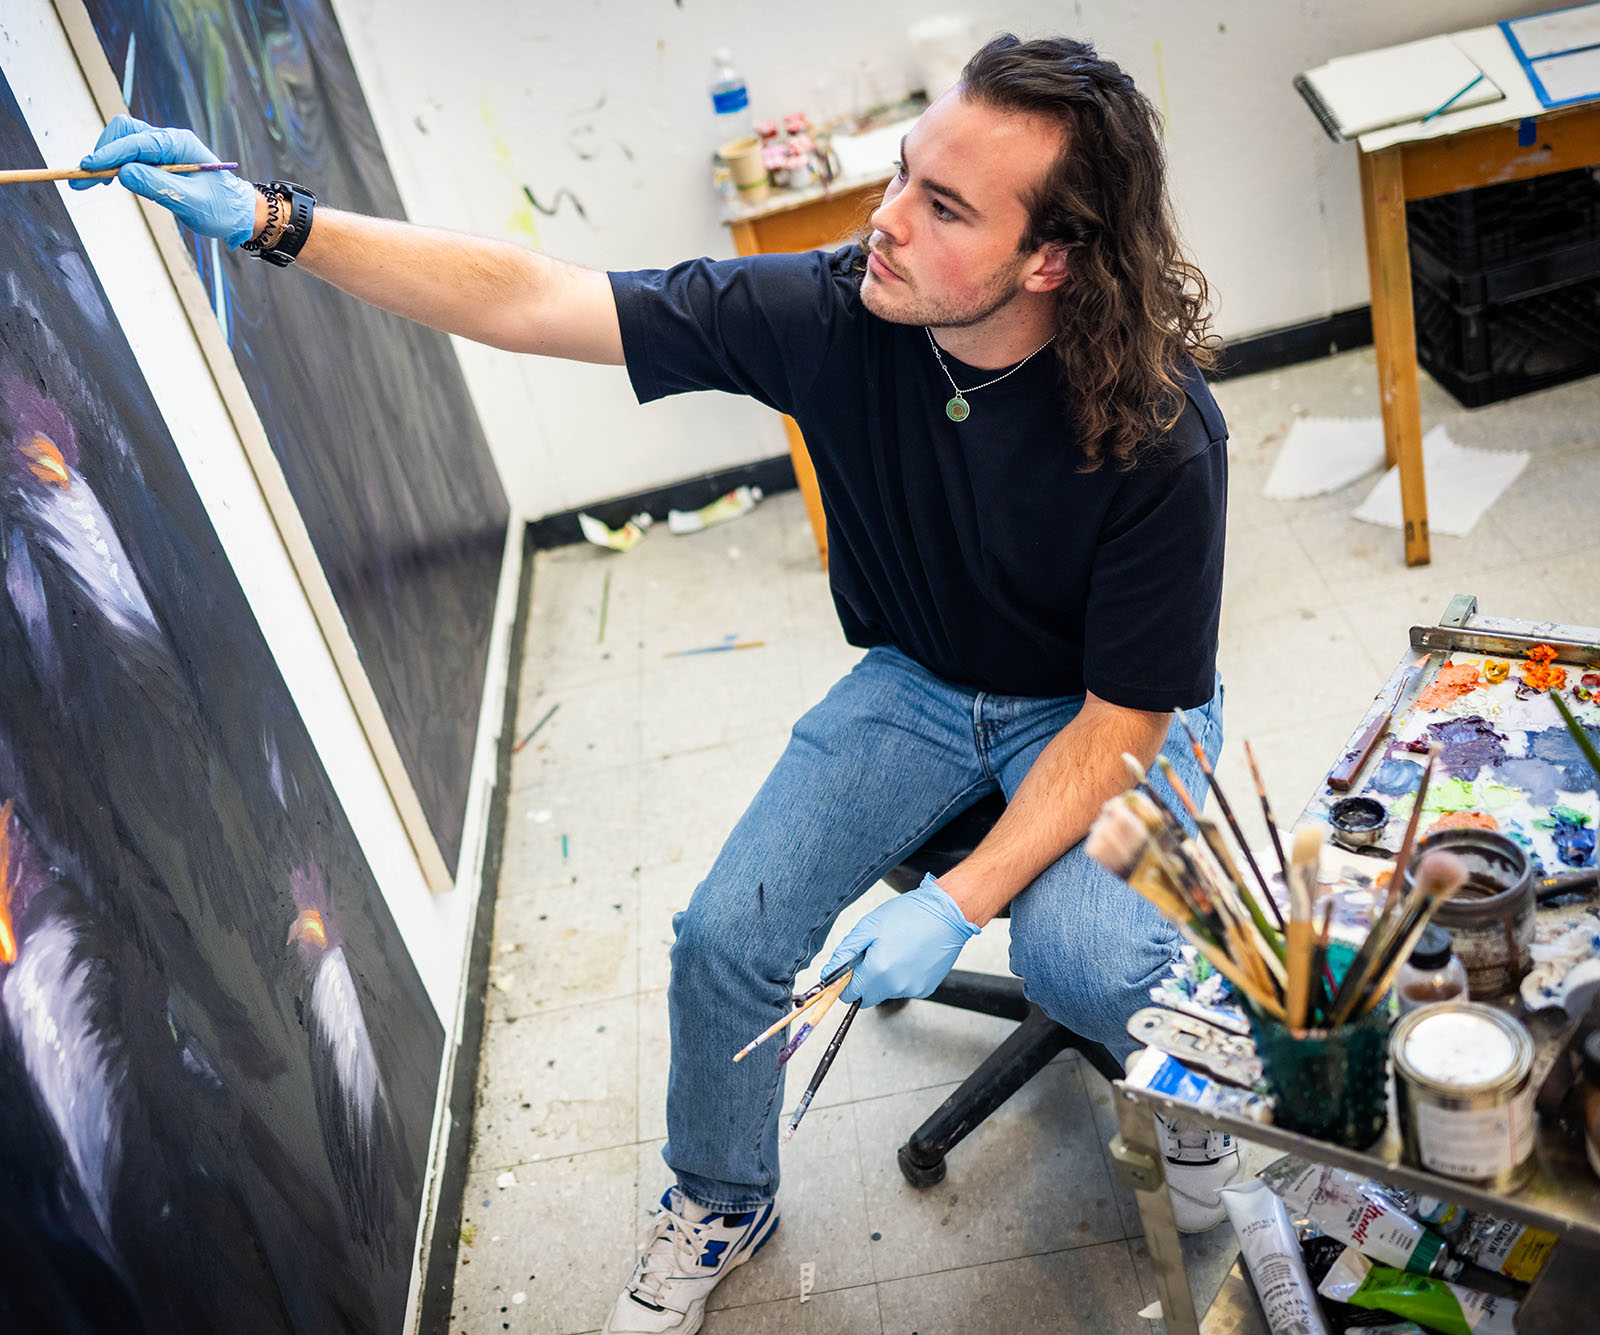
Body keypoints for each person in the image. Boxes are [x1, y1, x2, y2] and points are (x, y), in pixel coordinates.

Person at [82, 32, 1237, 1334]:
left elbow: (1128, 721)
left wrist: (962, 901)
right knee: (725, 939)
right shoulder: (838, 310)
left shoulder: (1160, 429)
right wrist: (267, 218)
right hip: (921, 682)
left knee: (1089, 952)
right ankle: (724, 1195)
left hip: (1095, 709)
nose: (886, 222)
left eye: (943, 205)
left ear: (1053, 258)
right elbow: (534, 298)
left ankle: (1187, 1096)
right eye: (904, 175)